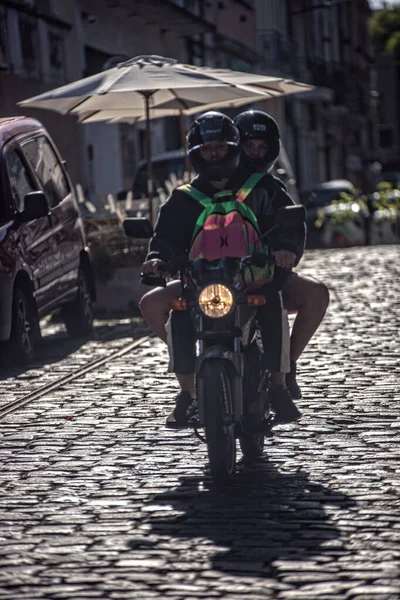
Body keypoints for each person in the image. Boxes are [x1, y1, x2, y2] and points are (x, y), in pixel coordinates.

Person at [140, 111, 302, 428]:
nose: (214, 154)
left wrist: (286, 249)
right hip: (200, 283)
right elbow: (165, 239)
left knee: (274, 306)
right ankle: (188, 394)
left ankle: (279, 386)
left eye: (220, 147)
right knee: (179, 316)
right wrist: (157, 258)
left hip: (251, 281)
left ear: (233, 148)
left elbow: (289, 224)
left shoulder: (263, 186)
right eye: (206, 149)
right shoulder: (183, 198)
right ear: (196, 154)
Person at [234, 110, 330, 399]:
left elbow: (292, 224)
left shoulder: (272, 188)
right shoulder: (207, 186)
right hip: (215, 278)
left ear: (272, 149)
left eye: (262, 147)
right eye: (249, 146)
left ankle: (286, 367)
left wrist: (286, 248)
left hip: (265, 276)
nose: (255, 152)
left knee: (317, 293)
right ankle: (189, 386)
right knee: (156, 303)